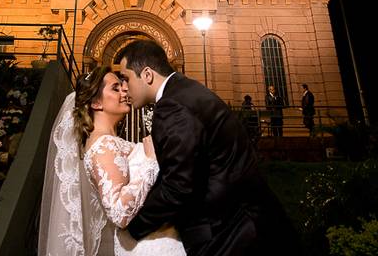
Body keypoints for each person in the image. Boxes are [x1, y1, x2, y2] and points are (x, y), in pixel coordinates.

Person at [119, 39, 299, 256]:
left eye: (126, 78)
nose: (124, 87)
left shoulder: (172, 106)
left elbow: (178, 186)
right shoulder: (188, 90)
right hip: (252, 223)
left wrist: (132, 228)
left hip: (231, 234)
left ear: (147, 74)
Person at [39, 65, 186, 255]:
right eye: (115, 88)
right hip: (146, 245)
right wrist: (150, 162)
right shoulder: (104, 146)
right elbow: (119, 212)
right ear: (96, 103)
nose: (124, 90)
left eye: (123, 85)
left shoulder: (111, 142)